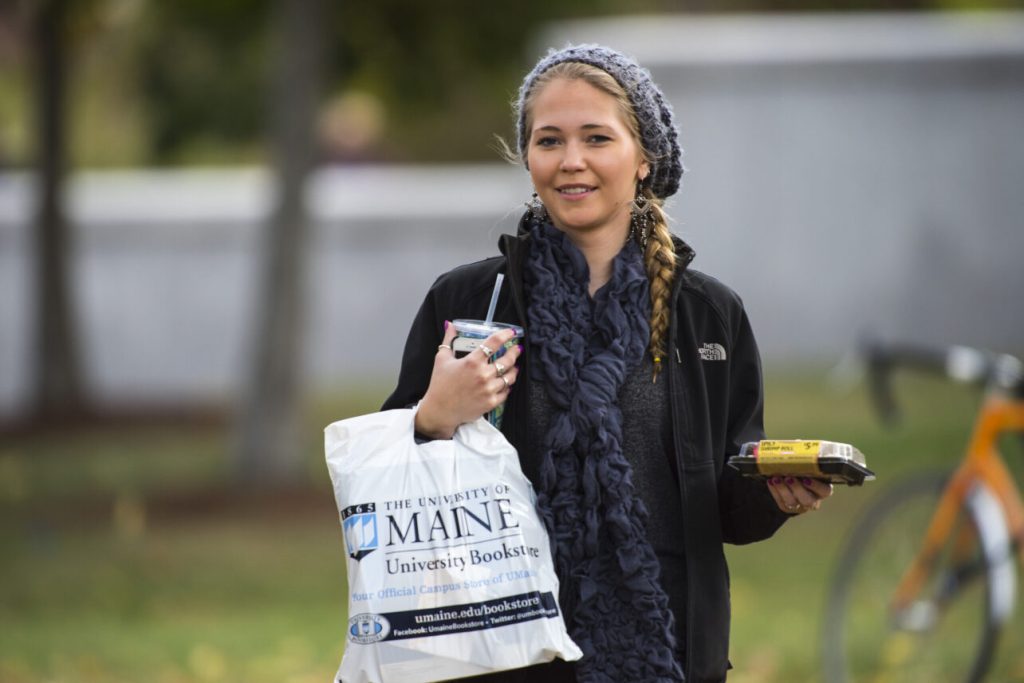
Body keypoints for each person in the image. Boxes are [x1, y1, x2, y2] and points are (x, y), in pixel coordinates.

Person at [382, 44, 833, 683]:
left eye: (597, 137)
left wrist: (776, 498)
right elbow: (387, 495)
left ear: (644, 157)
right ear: (527, 156)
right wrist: (432, 417)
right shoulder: (466, 303)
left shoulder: (709, 315)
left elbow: (726, 510)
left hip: (668, 651)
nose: (571, 162)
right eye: (549, 140)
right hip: (502, 653)